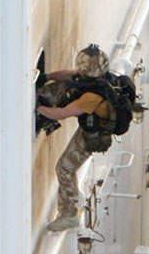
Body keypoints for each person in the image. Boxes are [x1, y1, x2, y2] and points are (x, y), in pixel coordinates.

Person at [37, 44, 116, 231]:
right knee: (67, 85)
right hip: (92, 122)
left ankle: (69, 215)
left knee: (64, 168)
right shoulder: (97, 76)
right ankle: (70, 202)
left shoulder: (93, 96)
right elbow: (69, 75)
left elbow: (62, 114)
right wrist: (46, 77)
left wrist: (36, 109)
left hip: (95, 134)